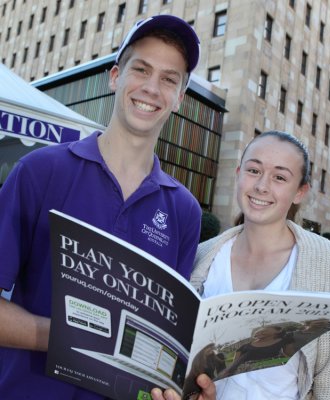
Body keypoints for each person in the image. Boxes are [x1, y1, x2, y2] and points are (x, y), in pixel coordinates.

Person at [0, 15, 202, 399]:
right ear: (114, 77)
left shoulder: (184, 211)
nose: (151, 88)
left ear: (179, 99)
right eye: (140, 69)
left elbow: (167, 340)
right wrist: (74, 337)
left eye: (169, 79)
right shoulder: (41, 171)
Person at [152, 130, 330, 400]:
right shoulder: (204, 256)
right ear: (238, 174)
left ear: (299, 192)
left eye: (280, 177)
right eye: (254, 170)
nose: (261, 186)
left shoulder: (326, 262)